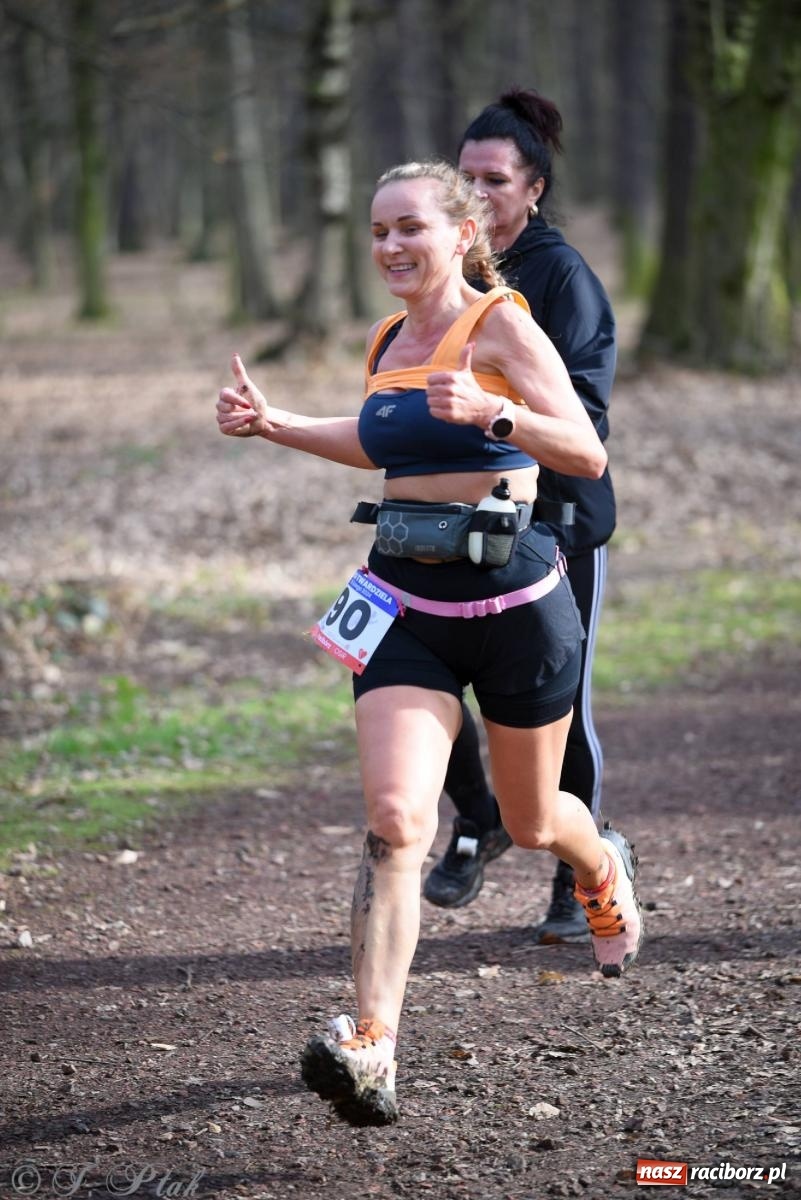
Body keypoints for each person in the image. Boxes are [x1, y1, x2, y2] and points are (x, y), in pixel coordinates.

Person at [216, 159, 642, 1127]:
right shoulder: (386, 338)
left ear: (462, 234)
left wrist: (496, 411)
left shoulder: (502, 325)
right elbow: (381, 443)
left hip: (516, 607)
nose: (392, 246)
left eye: (410, 227)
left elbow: (586, 452)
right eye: (378, 232)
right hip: (404, 608)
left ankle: (600, 867)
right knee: (396, 821)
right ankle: (372, 1046)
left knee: (532, 823)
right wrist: (275, 425)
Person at [423, 89, 618, 944]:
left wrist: (491, 419)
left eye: (494, 180)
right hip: (451, 519)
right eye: (463, 177)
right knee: (422, 672)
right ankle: (480, 814)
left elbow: (585, 420)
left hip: (556, 524)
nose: (476, 193)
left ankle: (579, 875)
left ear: (533, 189)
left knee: (556, 706)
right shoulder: (445, 270)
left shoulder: (560, 277)